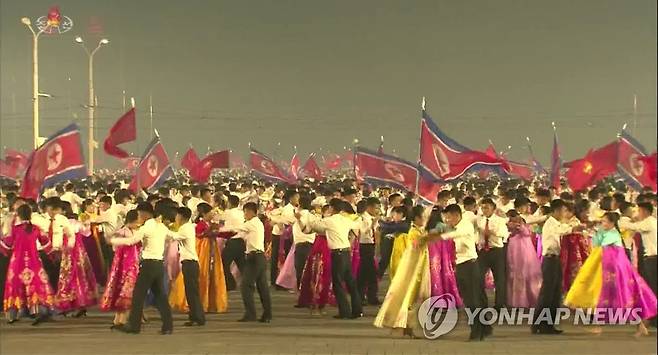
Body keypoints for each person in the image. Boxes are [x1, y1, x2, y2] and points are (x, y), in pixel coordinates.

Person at [565, 212, 656, 337]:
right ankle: (604, 326)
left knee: (624, 299)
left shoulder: (613, 234)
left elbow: (603, 250)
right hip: (609, 272)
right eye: (602, 222)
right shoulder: (607, 233)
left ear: (613, 223)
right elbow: (597, 245)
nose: (603, 224)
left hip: (616, 273)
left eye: (605, 222)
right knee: (610, 299)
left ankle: (638, 325)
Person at [110, 202, 182, 335]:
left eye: (139, 213)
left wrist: (115, 241)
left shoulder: (147, 227)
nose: (138, 216)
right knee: (161, 296)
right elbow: (174, 236)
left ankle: (134, 325)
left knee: (138, 295)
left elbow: (132, 241)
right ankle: (168, 325)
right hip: (159, 265)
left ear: (145, 213)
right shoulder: (161, 227)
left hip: (148, 265)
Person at [298, 198, 363, 319]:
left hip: (337, 254)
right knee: (350, 283)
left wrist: (304, 217)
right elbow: (358, 224)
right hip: (346, 252)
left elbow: (311, 227)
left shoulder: (329, 221)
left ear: (332, 208)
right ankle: (357, 310)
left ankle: (345, 312)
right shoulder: (345, 220)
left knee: (338, 284)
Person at [433, 203, 488, 341]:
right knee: (470, 299)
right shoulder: (456, 226)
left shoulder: (465, 225)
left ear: (457, 215)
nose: (447, 221)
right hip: (462, 265)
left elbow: (456, 234)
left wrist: (439, 237)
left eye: (449, 218)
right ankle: (482, 329)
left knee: (472, 300)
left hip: (469, 266)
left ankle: (477, 331)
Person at [374, 205, 430, 338]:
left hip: (419, 269)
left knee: (411, 300)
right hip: (412, 271)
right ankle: (401, 325)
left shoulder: (418, 231)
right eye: (423, 217)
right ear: (416, 218)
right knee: (407, 299)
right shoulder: (411, 233)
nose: (425, 220)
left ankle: (407, 327)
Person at [1, 204, 55, 325]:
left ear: (18, 215)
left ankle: (14, 314)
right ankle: (39, 311)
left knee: (15, 286)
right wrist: (52, 254)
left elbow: (7, 245)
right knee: (37, 285)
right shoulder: (35, 228)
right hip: (34, 261)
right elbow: (46, 243)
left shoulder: (15, 229)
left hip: (17, 262)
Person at [532, 199, 580, 335]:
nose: (564, 213)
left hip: (556, 260)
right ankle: (539, 324)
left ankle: (548, 324)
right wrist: (573, 228)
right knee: (547, 294)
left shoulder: (557, 223)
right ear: (557, 211)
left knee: (555, 294)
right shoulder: (551, 224)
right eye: (563, 210)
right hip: (550, 260)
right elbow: (561, 231)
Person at [222, 202, 272, 322]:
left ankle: (251, 314)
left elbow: (235, 228)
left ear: (250, 212)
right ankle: (267, 314)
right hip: (259, 257)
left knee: (245, 286)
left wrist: (218, 229)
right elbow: (240, 234)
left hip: (254, 258)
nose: (244, 215)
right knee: (262, 287)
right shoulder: (256, 224)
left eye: (245, 212)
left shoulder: (252, 223)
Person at [100, 210, 141, 328]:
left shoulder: (131, 231)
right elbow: (115, 247)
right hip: (127, 265)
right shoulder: (122, 232)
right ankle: (121, 320)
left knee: (124, 290)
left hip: (129, 264)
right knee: (125, 290)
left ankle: (119, 319)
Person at [168, 207, 206, 326]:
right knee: (191, 292)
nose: (176, 218)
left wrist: (162, 229)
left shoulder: (185, 228)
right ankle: (195, 316)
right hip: (190, 263)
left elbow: (175, 237)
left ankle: (198, 317)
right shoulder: (187, 227)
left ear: (181, 217)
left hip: (190, 263)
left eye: (177, 215)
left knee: (192, 292)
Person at [621, 202, 657, 328]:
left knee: (653, 289)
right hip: (651, 258)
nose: (637, 214)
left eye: (639, 211)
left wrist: (624, 220)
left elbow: (631, 226)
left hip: (653, 259)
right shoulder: (651, 221)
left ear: (645, 212)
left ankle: (652, 318)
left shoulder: (648, 222)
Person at [194, 202, 228, 313]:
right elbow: (199, 235)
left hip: (211, 249)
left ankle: (211, 301)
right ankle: (203, 301)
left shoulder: (209, 223)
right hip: (204, 250)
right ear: (204, 213)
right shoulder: (200, 223)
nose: (212, 214)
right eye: (210, 212)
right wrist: (211, 231)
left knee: (212, 273)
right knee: (204, 273)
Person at [475, 198, 509, 310]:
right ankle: (482, 303)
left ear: (493, 209)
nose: (484, 210)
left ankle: (499, 305)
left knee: (499, 278)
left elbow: (504, 234)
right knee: (478, 277)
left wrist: (492, 232)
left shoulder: (499, 220)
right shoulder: (479, 220)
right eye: (483, 207)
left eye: (487, 208)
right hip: (483, 252)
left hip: (496, 251)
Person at [505, 210, 541, 308]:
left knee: (524, 273)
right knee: (515, 273)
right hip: (514, 249)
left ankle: (529, 299)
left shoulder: (523, 225)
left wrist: (519, 226)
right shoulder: (509, 225)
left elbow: (526, 232)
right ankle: (518, 300)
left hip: (523, 250)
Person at [218, 194, 246, 291]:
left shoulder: (228, 212)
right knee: (242, 264)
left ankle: (230, 284)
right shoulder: (241, 212)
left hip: (233, 241)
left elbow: (219, 221)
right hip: (241, 241)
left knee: (223, 263)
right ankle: (249, 284)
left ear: (229, 203)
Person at [357, 197, 380, 306]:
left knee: (366, 273)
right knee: (367, 273)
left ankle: (365, 296)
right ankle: (369, 297)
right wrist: (372, 224)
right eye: (375, 208)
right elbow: (362, 232)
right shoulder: (362, 218)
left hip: (370, 246)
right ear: (369, 207)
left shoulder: (371, 218)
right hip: (364, 246)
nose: (377, 210)